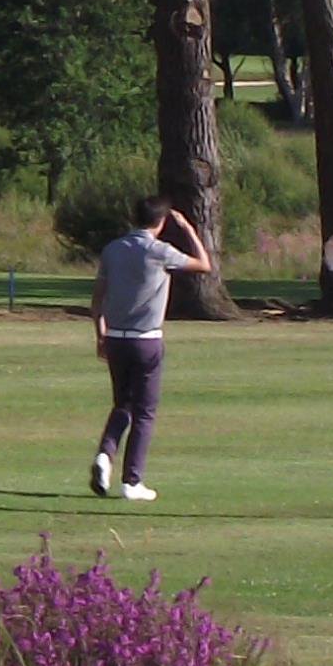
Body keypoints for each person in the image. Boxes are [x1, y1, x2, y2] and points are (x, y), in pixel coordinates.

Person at [86, 195, 213, 502]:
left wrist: (100, 334)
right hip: (147, 340)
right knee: (144, 412)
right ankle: (132, 480)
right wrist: (187, 229)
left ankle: (106, 455)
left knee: (123, 405)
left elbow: (97, 298)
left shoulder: (113, 249)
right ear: (161, 222)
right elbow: (204, 265)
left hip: (115, 337)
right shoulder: (159, 251)